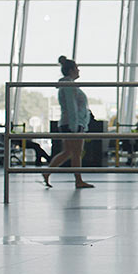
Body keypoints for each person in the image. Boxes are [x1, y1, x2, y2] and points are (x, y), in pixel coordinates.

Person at [44, 56, 94, 189]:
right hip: (72, 124)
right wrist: (74, 127)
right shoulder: (69, 85)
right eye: (77, 68)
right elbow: (72, 107)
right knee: (75, 152)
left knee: (69, 152)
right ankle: (78, 180)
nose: (79, 71)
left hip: (73, 123)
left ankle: (48, 172)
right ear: (71, 70)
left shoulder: (69, 84)